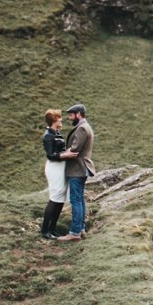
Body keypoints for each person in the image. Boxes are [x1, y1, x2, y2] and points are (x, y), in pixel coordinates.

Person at [56, 102, 95, 242]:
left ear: (79, 114)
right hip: (81, 168)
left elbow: (74, 150)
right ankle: (81, 229)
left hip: (77, 169)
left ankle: (75, 232)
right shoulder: (85, 127)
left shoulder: (82, 129)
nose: (70, 118)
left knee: (75, 200)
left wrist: (58, 155)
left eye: (72, 115)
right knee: (79, 200)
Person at [39, 109, 67, 240]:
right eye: (59, 118)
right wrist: (65, 155)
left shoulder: (56, 133)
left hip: (60, 167)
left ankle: (52, 229)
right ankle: (45, 230)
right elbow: (50, 155)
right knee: (55, 197)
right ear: (54, 120)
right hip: (54, 167)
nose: (61, 120)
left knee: (60, 197)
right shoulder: (48, 136)